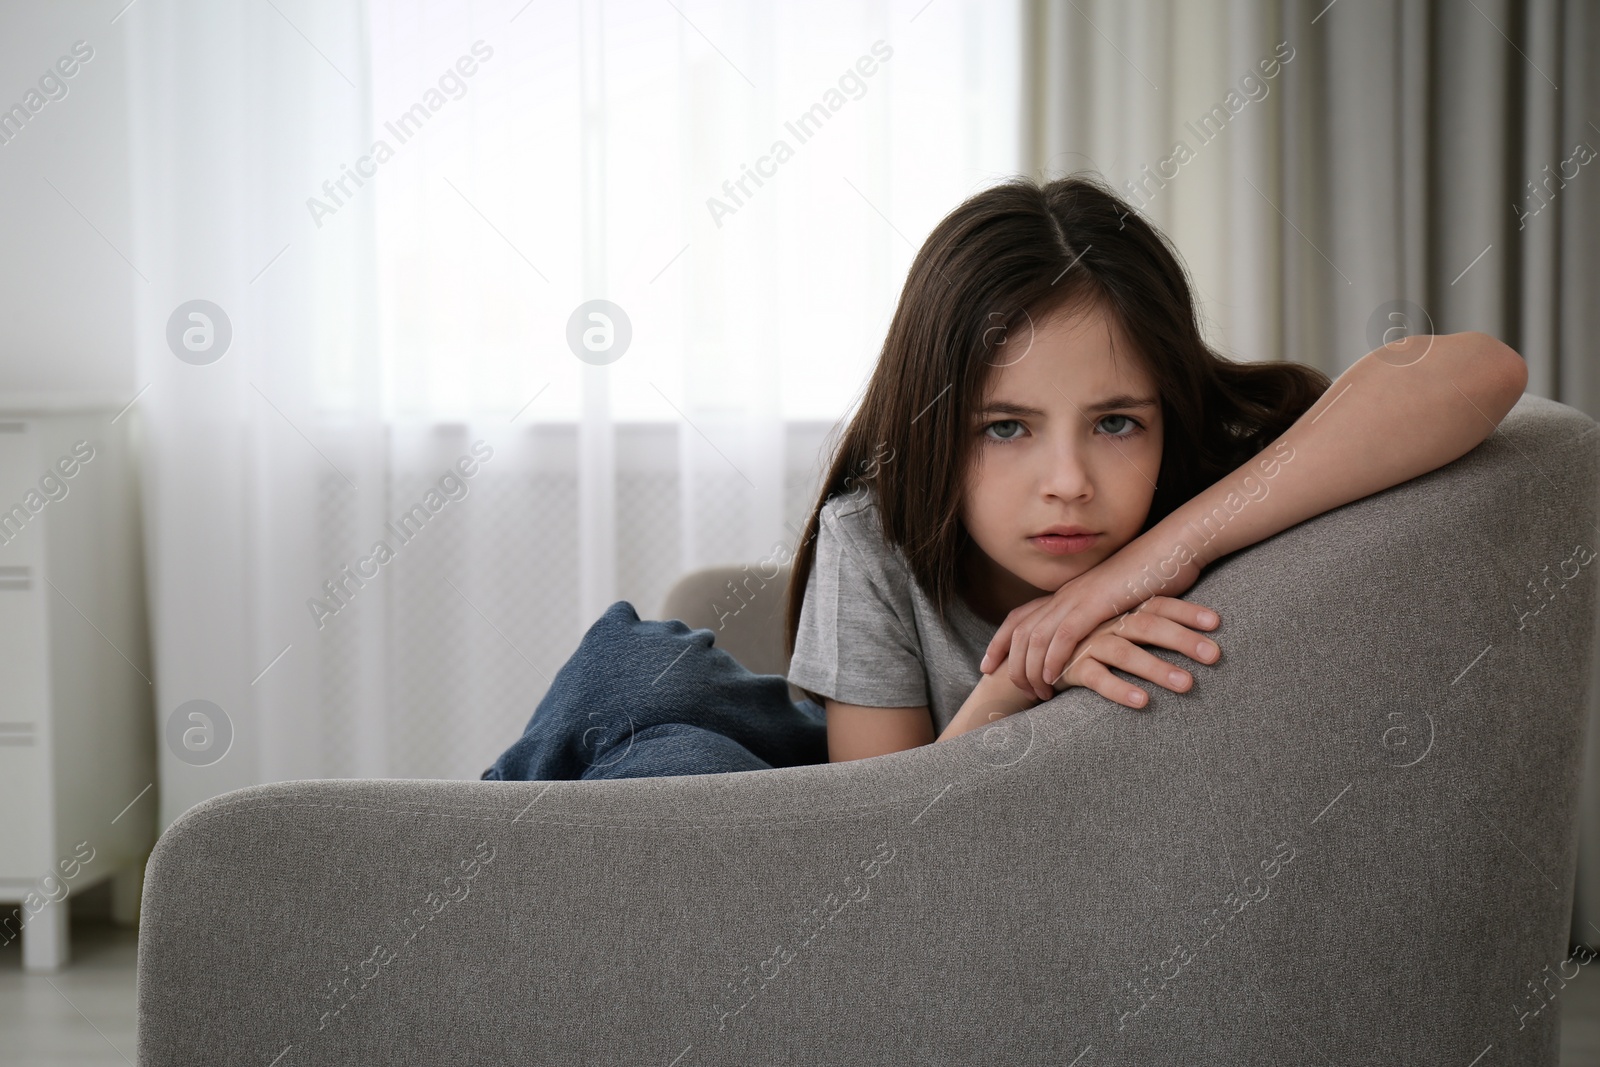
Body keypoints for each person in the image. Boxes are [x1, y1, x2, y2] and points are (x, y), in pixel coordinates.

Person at [479, 172, 1527, 782]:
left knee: (666, 763)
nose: (1067, 480)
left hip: (1004, 857)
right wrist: (1013, 684)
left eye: (1116, 421)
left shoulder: (1216, 484)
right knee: (639, 683)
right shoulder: (875, 537)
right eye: (1005, 428)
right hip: (886, 803)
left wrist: (1145, 566)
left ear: (1168, 413)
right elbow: (874, 836)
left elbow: (1485, 371)